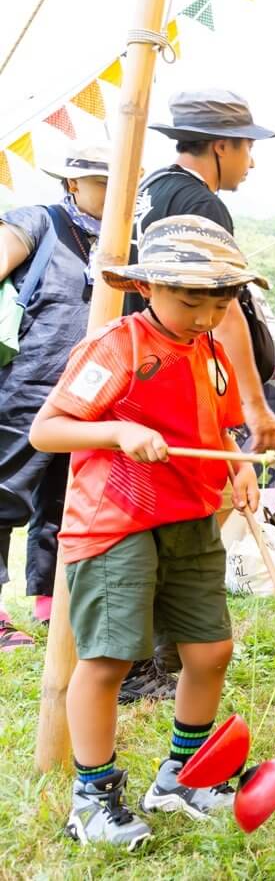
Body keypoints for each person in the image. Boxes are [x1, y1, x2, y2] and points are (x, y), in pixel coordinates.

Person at [28, 216, 263, 848]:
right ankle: (93, 798)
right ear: (149, 286)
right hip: (116, 523)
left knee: (210, 650)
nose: (206, 316)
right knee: (108, 658)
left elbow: (219, 430)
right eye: (191, 300)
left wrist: (239, 467)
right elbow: (46, 431)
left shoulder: (211, 352)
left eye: (219, 302)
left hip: (191, 516)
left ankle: (183, 776)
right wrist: (117, 431)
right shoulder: (118, 346)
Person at [120, 90, 275, 701]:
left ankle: (162, 653)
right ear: (221, 146)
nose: (251, 163)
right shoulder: (198, 200)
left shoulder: (152, 189)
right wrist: (252, 405)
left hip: (153, 366)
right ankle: (142, 662)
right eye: (247, 148)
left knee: (183, 504)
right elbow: (227, 305)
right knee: (176, 508)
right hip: (173, 369)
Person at [0, 144, 110, 649]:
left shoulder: (120, 246)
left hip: (90, 394)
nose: (114, 194)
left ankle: (49, 607)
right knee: (4, 492)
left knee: (64, 500)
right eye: (101, 182)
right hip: (25, 384)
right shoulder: (37, 222)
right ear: (73, 184)